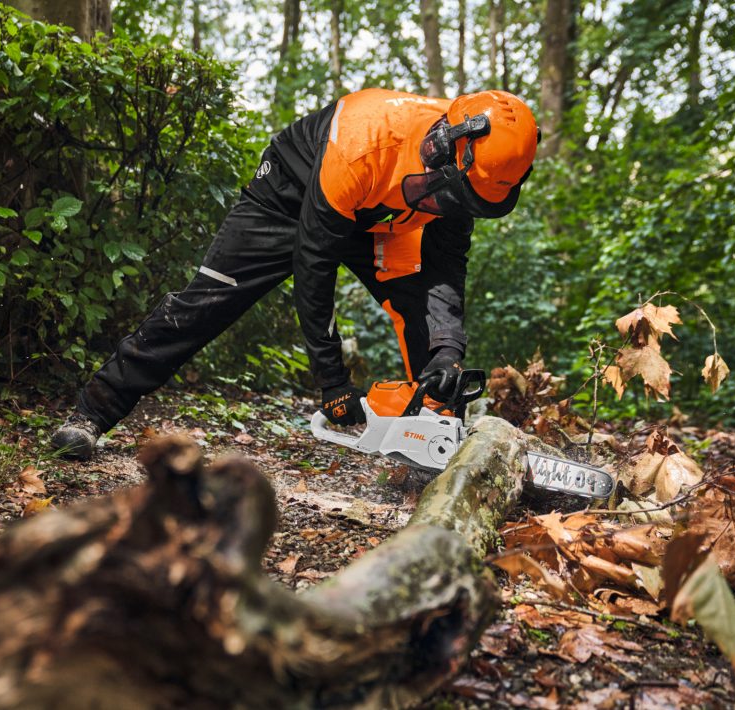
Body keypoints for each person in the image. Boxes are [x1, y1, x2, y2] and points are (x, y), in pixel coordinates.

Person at [51, 88, 539, 460]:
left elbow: (445, 275)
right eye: (450, 196)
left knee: (426, 325)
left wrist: (447, 355)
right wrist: (333, 380)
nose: (452, 207)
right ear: (441, 147)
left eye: (463, 202)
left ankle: (432, 441)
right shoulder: (364, 145)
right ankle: (93, 410)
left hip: (378, 218)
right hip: (290, 199)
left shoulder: (476, 171)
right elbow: (314, 268)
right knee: (208, 302)